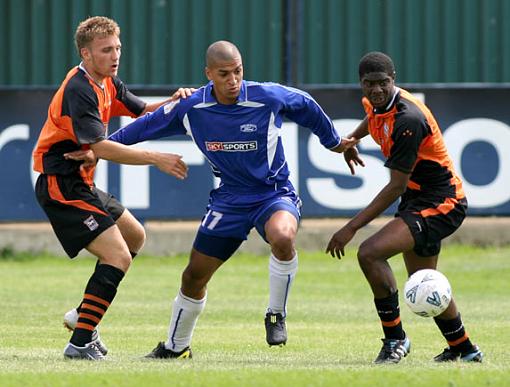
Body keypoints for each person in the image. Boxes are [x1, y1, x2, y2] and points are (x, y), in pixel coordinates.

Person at [108, 40, 358, 359]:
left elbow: (306, 104)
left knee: (283, 236)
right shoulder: (192, 107)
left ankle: (275, 314)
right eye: (224, 74)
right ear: (208, 74)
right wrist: (98, 148)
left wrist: (334, 142)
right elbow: (142, 127)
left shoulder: (266, 97)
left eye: (238, 71)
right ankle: (176, 346)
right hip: (229, 200)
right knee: (194, 275)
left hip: (274, 193)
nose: (233, 81)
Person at [32, 16, 191, 360]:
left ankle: (81, 316)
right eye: (106, 50)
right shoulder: (79, 88)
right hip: (62, 184)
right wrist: (155, 158)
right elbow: (100, 147)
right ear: (86, 54)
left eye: (117, 47)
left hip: (81, 182)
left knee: (134, 237)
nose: (115, 54)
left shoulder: (107, 82)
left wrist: (174, 101)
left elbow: (143, 111)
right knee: (117, 256)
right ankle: (80, 343)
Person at [326, 51, 483, 364]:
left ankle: (395, 340)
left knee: (369, 253)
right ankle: (465, 349)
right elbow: (373, 118)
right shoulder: (376, 103)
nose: (377, 90)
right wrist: (353, 138)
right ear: (362, 84)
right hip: (418, 198)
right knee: (424, 279)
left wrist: (351, 227)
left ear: (393, 79)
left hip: (442, 201)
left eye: (383, 83)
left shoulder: (408, 120)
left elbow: (395, 186)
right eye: (370, 84)